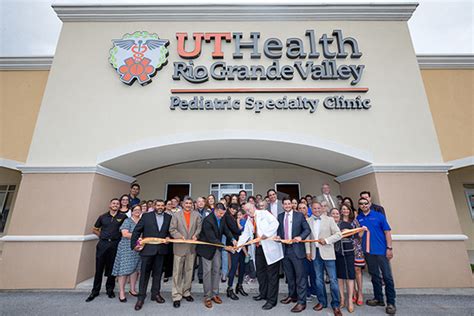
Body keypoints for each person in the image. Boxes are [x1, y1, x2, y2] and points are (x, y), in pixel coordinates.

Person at [237, 201, 283, 310]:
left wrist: (266, 234)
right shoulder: (249, 220)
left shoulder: (264, 213)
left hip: (270, 248)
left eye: (249, 209)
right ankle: (263, 294)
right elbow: (246, 235)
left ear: (254, 207)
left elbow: (275, 223)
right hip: (259, 249)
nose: (248, 212)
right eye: (246, 211)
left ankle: (271, 300)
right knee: (261, 273)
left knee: (272, 275)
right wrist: (238, 246)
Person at [131, 199, 172, 310]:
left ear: (164, 207)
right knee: (144, 275)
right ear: (154, 206)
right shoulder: (146, 216)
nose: (160, 207)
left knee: (158, 274)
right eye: (158, 205)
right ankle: (141, 298)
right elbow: (137, 231)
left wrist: (169, 237)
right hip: (147, 251)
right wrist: (134, 245)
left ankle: (156, 294)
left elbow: (170, 232)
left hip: (161, 250)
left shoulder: (169, 217)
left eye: (162, 205)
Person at [357, 197, 396, 315]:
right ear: (359, 205)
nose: (364, 205)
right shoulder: (359, 218)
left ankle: (391, 303)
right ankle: (378, 299)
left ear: (370, 204)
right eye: (361, 204)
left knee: (387, 277)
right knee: (374, 276)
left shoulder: (379, 216)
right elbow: (359, 236)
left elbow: (387, 232)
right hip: (368, 252)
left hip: (381, 251)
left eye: (366, 203)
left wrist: (389, 248)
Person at [86, 198, 128, 302]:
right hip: (103, 244)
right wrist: (102, 236)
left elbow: (126, 229)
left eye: (117, 204)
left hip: (115, 244)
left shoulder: (123, 217)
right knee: (99, 268)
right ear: (110, 205)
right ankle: (95, 291)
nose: (115, 205)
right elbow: (95, 229)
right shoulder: (102, 217)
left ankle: (110, 290)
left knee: (111, 269)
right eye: (113, 203)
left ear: (119, 206)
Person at [305, 201, 343, 316]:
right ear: (311, 209)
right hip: (315, 254)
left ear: (322, 208)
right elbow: (307, 237)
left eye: (318, 208)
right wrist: (308, 252)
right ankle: (322, 302)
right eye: (314, 208)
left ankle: (336, 305)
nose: (316, 210)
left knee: (333, 280)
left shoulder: (329, 220)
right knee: (318, 280)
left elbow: (338, 234)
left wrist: (326, 241)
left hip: (328, 253)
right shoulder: (308, 221)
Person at [196, 203, 236, 308]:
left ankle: (215, 294)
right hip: (206, 250)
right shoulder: (208, 221)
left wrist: (232, 239)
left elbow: (226, 230)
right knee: (207, 272)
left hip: (216, 249)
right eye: (220, 213)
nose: (221, 216)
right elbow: (211, 239)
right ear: (215, 210)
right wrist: (225, 247)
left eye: (223, 214)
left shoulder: (222, 217)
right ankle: (207, 297)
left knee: (216, 270)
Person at [277, 197, 311, 313]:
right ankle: (292, 296)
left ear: (292, 205)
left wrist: (300, 237)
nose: (287, 205)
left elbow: (307, 230)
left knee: (300, 277)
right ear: (282, 205)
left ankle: (301, 302)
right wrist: (278, 237)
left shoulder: (299, 216)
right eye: (285, 204)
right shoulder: (280, 216)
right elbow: (279, 231)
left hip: (297, 250)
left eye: (288, 203)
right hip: (285, 250)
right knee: (290, 277)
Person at [169, 197, 202, 308]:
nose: (188, 205)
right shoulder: (176, 215)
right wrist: (179, 236)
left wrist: (196, 235)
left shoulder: (197, 215)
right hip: (179, 247)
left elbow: (199, 228)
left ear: (192, 204)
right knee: (177, 273)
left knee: (189, 271)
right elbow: (172, 229)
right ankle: (176, 295)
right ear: (182, 204)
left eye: (190, 203)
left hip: (191, 248)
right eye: (186, 203)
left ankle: (186, 292)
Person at [333, 205, 361, 314]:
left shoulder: (347, 224)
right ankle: (342, 299)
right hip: (336, 253)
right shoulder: (329, 225)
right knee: (339, 277)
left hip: (348, 252)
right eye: (333, 214)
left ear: (339, 214)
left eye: (336, 213)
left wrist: (346, 233)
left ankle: (350, 300)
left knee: (350, 276)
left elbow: (354, 236)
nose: (335, 215)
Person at [112, 204, 142, 303]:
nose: (137, 211)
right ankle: (121, 293)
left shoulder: (142, 222)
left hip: (138, 248)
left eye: (139, 210)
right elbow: (125, 234)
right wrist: (138, 237)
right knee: (124, 271)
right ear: (132, 211)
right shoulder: (127, 221)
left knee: (134, 269)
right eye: (135, 210)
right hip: (126, 248)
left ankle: (132, 290)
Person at [224, 203, 248, 299]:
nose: (234, 211)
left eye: (235, 209)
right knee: (233, 266)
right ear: (229, 209)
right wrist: (243, 231)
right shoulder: (227, 217)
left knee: (242, 266)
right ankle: (229, 288)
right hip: (234, 245)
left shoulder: (239, 218)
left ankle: (239, 286)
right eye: (232, 209)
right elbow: (235, 230)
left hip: (242, 244)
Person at [195, 196, 211, 284]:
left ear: (205, 203)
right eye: (199, 201)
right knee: (192, 258)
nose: (201, 203)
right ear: (196, 203)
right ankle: (191, 276)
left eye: (202, 202)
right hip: (194, 237)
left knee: (202, 257)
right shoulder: (192, 212)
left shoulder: (208, 212)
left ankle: (201, 276)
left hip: (204, 238)